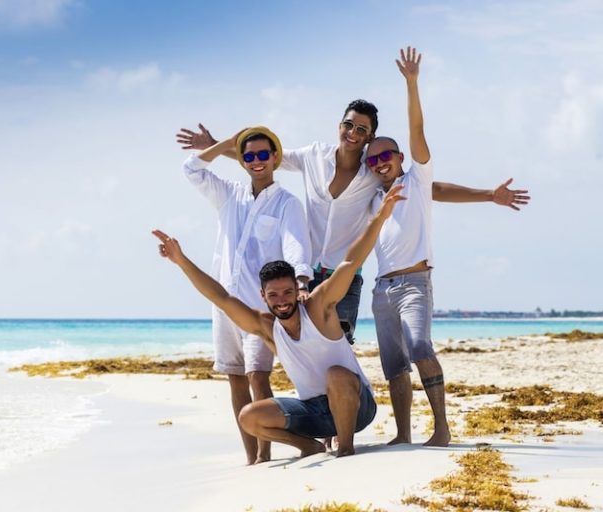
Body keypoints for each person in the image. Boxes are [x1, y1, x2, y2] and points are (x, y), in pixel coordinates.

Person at [176, 104, 529, 347]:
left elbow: (430, 189)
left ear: (369, 135)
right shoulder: (313, 156)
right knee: (301, 347)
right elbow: (265, 159)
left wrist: (488, 195)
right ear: (340, 125)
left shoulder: (375, 172)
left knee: (339, 346)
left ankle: (338, 434)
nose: (353, 132)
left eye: (362, 129)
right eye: (349, 125)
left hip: (344, 276)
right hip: (305, 274)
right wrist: (218, 147)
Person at [151, 184, 406, 458]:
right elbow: (221, 297)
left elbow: (350, 262)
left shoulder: (319, 308)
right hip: (314, 413)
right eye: (273, 295)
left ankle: (345, 449)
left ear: (298, 290)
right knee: (249, 417)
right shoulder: (267, 328)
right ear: (263, 296)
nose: (282, 300)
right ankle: (309, 446)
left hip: (357, 406)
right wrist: (181, 260)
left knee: (337, 374)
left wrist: (379, 218)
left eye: (287, 292)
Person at [182, 126, 313, 465]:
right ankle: (252, 456)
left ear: (274, 158)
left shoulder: (288, 204)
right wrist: (225, 144)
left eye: (262, 155)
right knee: (236, 378)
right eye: (249, 155)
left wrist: (300, 281)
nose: (256, 161)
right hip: (224, 304)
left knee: (258, 376)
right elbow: (191, 169)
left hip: (259, 308)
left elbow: (295, 243)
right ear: (241, 160)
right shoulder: (229, 195)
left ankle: (266, 454)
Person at [367, 46, 451, 446]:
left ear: (400, 157)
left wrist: (412, 84)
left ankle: (442, 428)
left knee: (419, 347)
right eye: (373, 159)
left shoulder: (417, 180)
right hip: (382, 289)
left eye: (386, 155)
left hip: (415, 282)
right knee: (394, 365)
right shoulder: (372, 199)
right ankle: (403, 434)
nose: (380, 162)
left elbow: (417, 131)